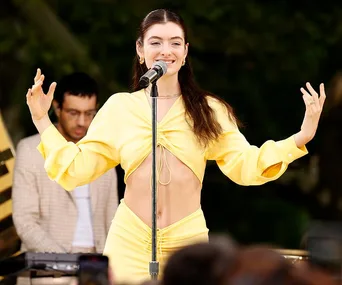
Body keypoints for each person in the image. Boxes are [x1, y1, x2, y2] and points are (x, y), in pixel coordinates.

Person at [25, 9, 326, 284]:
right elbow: (77, 169)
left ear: (185, 53)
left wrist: (300, 138)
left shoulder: (209, 109)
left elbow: (246, 165)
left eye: (175, 43)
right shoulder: (120, 108)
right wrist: (41, 119)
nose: (165, 51)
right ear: (140, 51)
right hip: (129, 237)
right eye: (156, 42)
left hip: (187, 240)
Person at [13, 72, 119, 285]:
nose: (82, 121)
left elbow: (113, 220)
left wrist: (109, 264)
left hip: (96, 265)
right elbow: (25, 222)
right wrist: (67, 264)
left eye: (89, 113)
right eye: (73, 112)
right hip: (48, 267)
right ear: (57, 108)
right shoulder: (30, 150)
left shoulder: (103, 152)